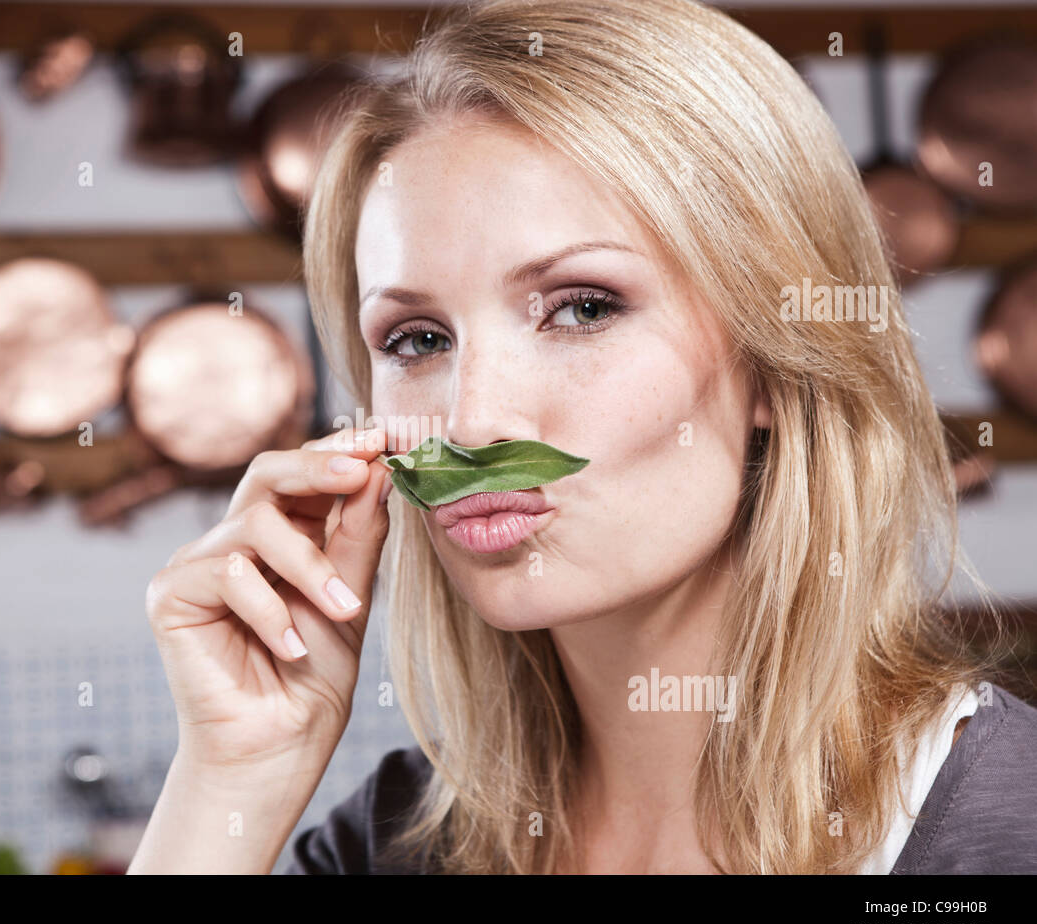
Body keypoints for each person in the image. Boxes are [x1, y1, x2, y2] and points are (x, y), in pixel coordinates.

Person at [129, 0, 1037, 875]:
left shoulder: (1000, 824)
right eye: (418, 340)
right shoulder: (388, 843)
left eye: (583, 308)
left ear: (772, 357)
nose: (472, 420)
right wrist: (228, 781)